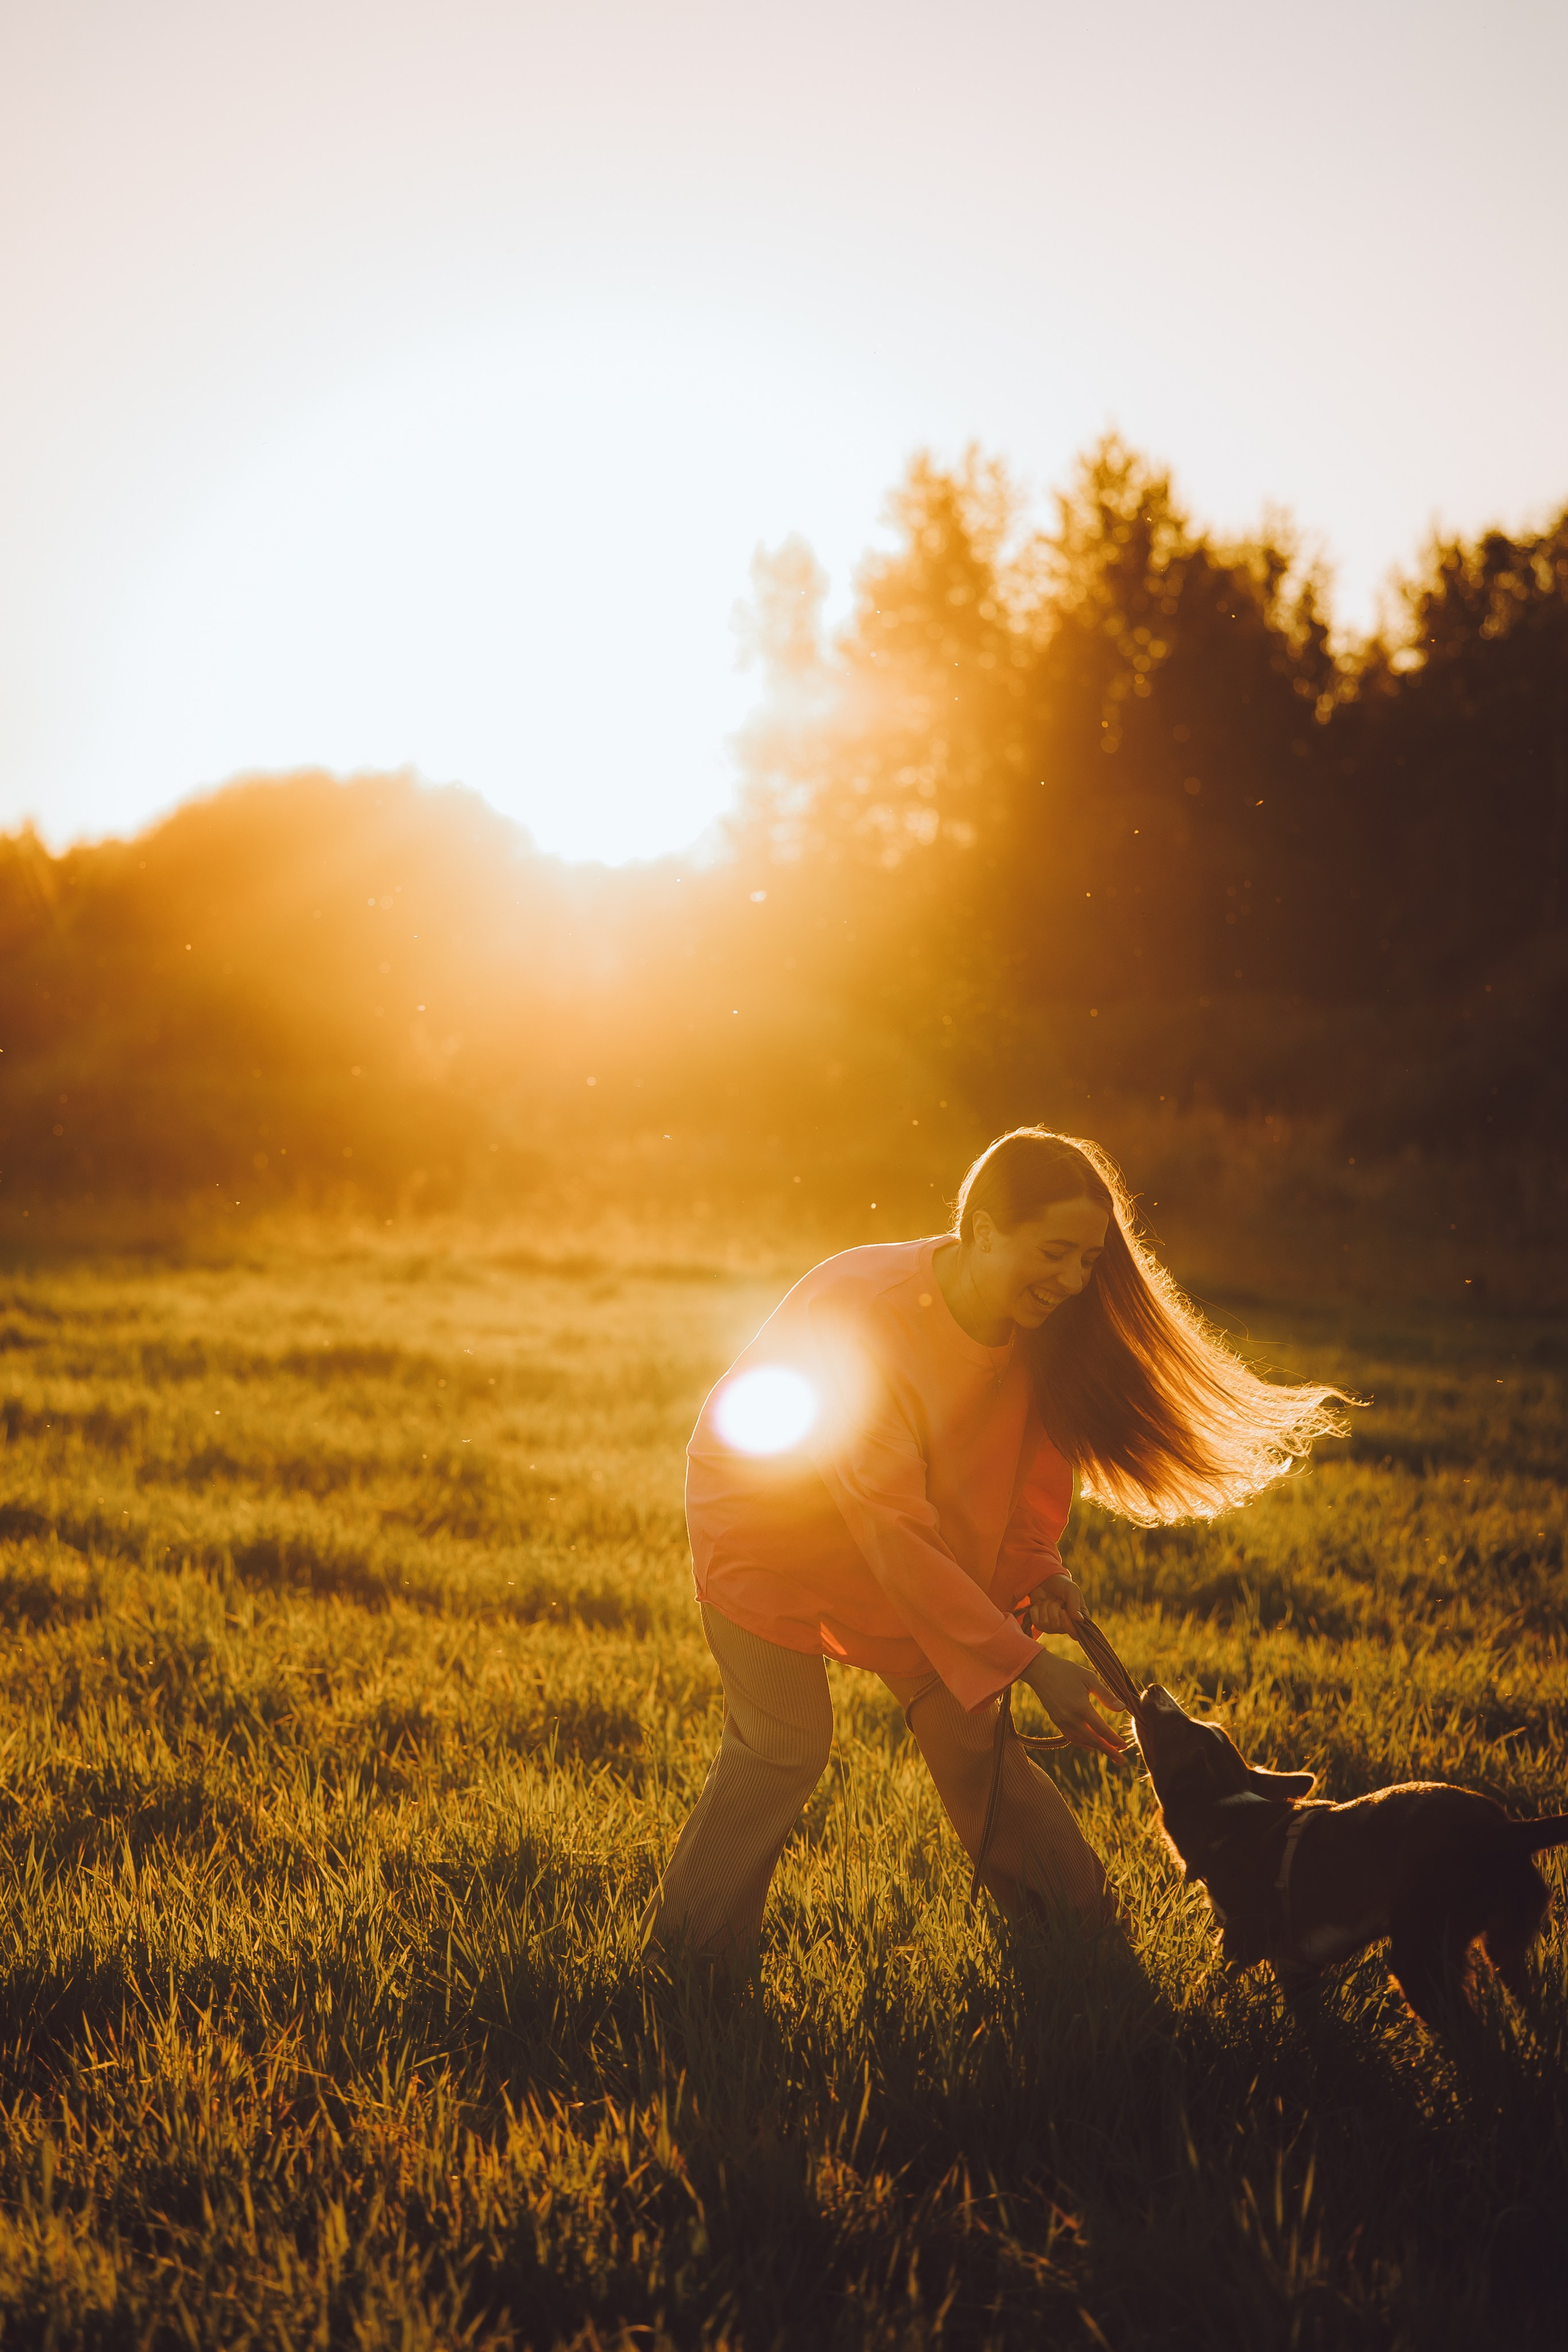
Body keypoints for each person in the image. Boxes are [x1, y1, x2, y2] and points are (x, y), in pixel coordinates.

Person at [642, 1126, 1345, 1961]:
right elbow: (891, 1528)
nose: (1073, 1280)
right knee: (785, 1749)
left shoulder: (1042, 1328)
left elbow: (1022, 1487)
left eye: (1088, 1260)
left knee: (977, 1743)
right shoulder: (862, 1314)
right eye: (1053, 1252)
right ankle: (688, 1965)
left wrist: (1037, 1569)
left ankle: (1084, 1947)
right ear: (981, 1230)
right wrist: (1028, 1663)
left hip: (919, 1544)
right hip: (772, 1531)